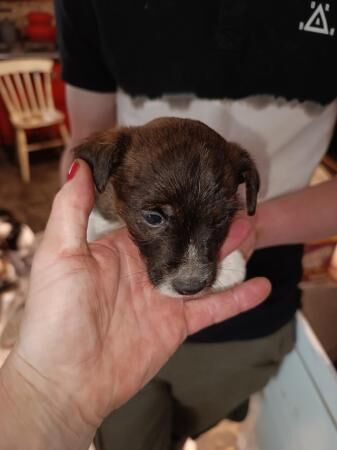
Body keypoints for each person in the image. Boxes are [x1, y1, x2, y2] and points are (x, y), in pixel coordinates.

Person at [54, 2, 337, 449]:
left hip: (252, 309)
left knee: (211, 427)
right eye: (154, 217)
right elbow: (84, 147)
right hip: (117, 315)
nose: (191, 274)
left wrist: (259, 228)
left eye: (221, 214)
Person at [0, 159, 271, 450]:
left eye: (218, 219)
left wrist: (43, 400)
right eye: (155, 217)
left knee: (189, 422)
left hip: (241, 326)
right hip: (152, 332)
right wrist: (47, 394)